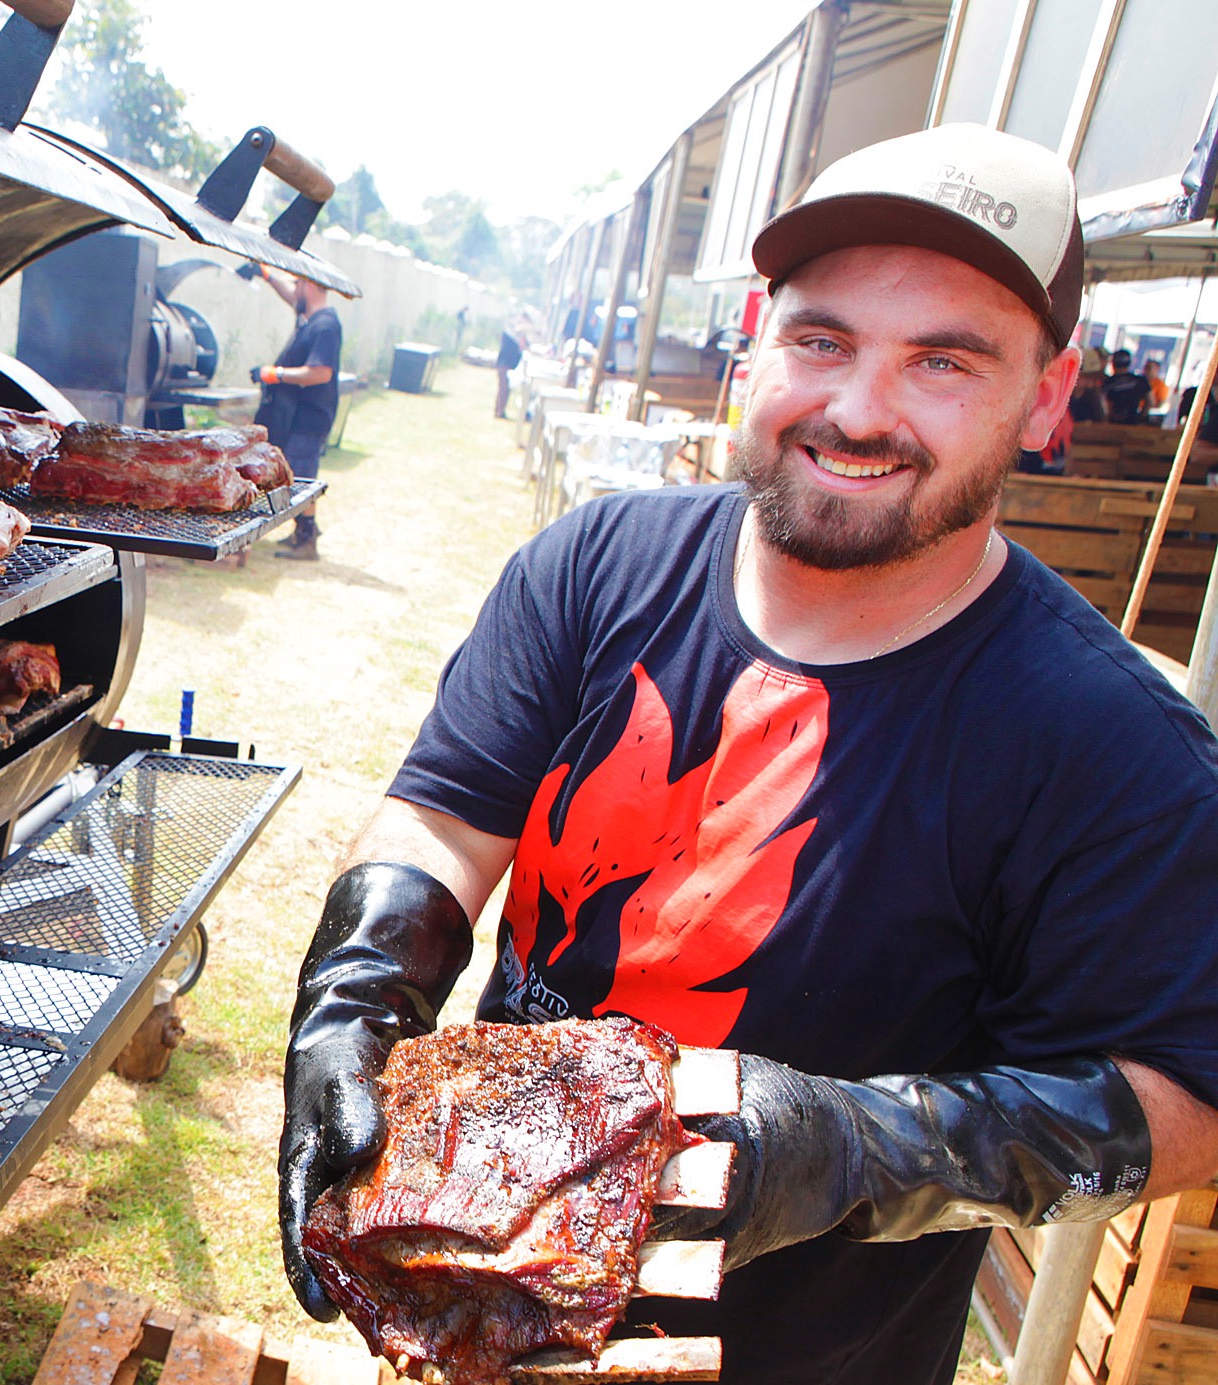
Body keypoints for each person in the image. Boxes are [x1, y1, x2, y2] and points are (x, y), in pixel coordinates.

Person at [278, 123, 1218, 1384]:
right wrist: (354, 996)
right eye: (820, 338)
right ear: (753, 347)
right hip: (485, 1304)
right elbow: (444, 817)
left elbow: (1184, 1097)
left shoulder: (1110, 745)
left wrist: (852, 1144)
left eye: (942, 359)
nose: (855, 409)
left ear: (1044, 399)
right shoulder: (594, 564)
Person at [248, 265, 342, 560]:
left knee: (301, 478)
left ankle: (306, 540)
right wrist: (266, 274)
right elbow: (291, 297)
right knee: (294, 474)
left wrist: (275, 374)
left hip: (309, 417)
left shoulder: (325, 325)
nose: (294, 290)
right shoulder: (311, 318)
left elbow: (320, 372)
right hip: (295, 416)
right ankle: (302, 532)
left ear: (311, 286)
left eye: (297, 283)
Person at [1103, 348, 1151, 423]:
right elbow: (1150, 401)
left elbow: (1104, 405)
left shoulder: (1107, 382)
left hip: (1112, 424)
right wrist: (1141, 417)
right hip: (1133, 423)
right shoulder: (1140, 380)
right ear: (1129, 363)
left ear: (1113, 364)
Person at [493, 320, 527, 420]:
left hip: (507, 366)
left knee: (505, 390)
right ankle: (499, 411)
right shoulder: (509, 339)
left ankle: (500, 411)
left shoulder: (511, 340)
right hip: (504, 366)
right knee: (503, 389)